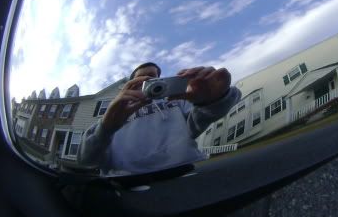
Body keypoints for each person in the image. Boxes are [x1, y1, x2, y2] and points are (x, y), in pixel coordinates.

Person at [77, 62, 241, 175]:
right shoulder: (114, 112)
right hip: (128, 185)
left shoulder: (176, 100)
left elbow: (204, 117)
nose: (149, 80)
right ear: (130, 83)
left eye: (153, 76)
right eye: (142, 78)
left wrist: (212, 98)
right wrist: (106, 128)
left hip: (188, 172)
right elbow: (86, 160)